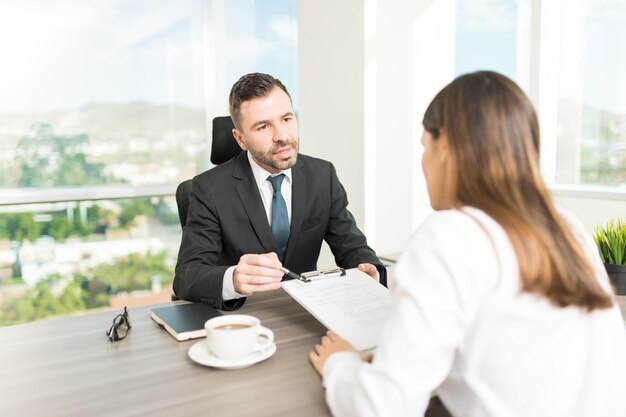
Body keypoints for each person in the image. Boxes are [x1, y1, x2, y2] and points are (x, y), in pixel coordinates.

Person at [309, 71, 626, 417]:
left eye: (423, 146)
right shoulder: (567, 227)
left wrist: (340, 365)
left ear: (444, 144)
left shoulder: (449, 234)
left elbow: (383, 408)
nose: (423, 162)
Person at [174, 72, 386, 310]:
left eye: (286, 119)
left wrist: (369, 271)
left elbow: (354, 248)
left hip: (306, 312)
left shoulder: (322, 176)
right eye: (263, 126)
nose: (282, 136)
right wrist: (234, 279)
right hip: (244, 318)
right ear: (240, 139)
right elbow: (186, 277)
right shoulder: (208, 188)